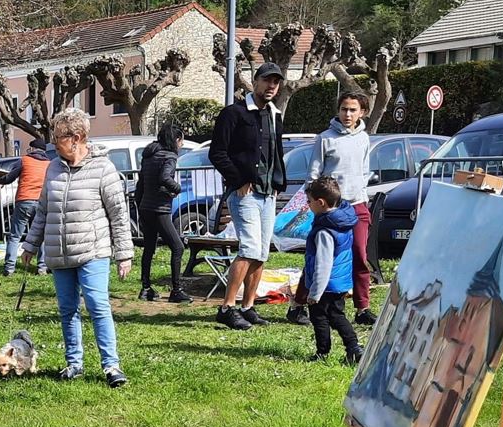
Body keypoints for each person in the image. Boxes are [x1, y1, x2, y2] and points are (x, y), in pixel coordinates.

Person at [18, 109, 132, 389]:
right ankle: (74, 364)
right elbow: (43, 211)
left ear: (77, 138)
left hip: (93, 250)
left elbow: (118, 213)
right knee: (67, 309)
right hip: (59, 252)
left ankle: (111, 366)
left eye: (58, 137)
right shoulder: (54, 168)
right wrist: (30, 245)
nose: (54, 143)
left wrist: (124, 253)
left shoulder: (103, 168)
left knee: (97, 306)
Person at [208, 62, 287, 330]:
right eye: (267, 80)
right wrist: (238, 179)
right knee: (250, 248)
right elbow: (217, 153)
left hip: (267, 194)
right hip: (245, 193)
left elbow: (276, 152)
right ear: (255, 81)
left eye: (275, 82)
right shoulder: (234, 113)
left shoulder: (275, 114)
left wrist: (279, 181)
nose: (271, 86)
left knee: (262, 253)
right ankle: (226, 307)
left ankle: (248, 306)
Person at [292, 90, 375, 327]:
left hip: (357, 205)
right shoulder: (325, 138)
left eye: (352, 110)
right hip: (331, 208)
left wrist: (361, 193)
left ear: (362, 112)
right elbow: (313, 174)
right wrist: (316, 202)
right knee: (318, 257)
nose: (347, 114)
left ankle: (362, 308)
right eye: (344, 109)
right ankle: (299, 305)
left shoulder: (364, 138)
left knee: (359, 255)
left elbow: (364, 170)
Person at [301, 176, 362, 364]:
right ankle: (353, 348)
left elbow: (323, 264)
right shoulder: (343, 220)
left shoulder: (324, 231)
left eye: (309, 201)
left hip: (326, 285)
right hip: (340, 281)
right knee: (337, 315)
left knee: (321, 318)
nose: (308, 205)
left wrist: (315, 292)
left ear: (320, 203)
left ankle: (324, 352)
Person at [135, 123, 189, 302]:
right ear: (175, 140)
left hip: (145, 207)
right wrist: (178, 188)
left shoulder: (149, 155)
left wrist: (140, 203)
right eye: (181, 141)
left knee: (149, 248)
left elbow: (141, 183)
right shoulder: (170, 156)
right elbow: (165, 178)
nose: (181, 145)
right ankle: (176, 290)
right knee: (178, 247)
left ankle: (146, 288)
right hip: (160, 208)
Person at [0, 138, 51, 276]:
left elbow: (9, 178)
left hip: (24, 200)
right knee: (41, 235)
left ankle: (9, 268)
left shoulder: (24, 160)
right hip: (42, 202)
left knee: (15, 236)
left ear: (32, 149)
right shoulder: (50, 164)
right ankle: (42, 267)